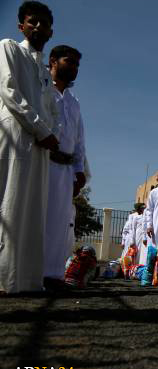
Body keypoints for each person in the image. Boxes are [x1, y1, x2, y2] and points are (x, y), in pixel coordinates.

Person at [0, 1, 60, 293]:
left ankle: (25, 280)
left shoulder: (44, 70)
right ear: (21, 25)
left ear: (50, 32)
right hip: (16, 137)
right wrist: (40, 128)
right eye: (32, 21)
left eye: (44, 24)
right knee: (9, 204)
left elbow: (52, 110)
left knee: (33, 208)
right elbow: (9, 90)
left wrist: (50, 133)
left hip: (40, 143)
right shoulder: (10, 48)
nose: (38, 27)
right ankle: (3, 278)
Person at [43, 45, 87, 284]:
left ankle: (53, 274)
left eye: (77, 65)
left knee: (59, 223)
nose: (73, 68)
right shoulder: (41, 90)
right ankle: (31, 274)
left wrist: (79, 170)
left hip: (65, 168)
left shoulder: (74, 101)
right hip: (42, 162)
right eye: (69, 62)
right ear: (52, 61)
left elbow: (79, 139)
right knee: (37, 218)